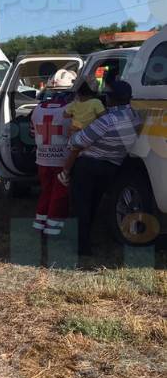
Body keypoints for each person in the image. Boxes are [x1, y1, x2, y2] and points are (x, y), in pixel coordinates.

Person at [65, 81, 141, 257]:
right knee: (94, 202)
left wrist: (72, 136)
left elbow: (77, 142)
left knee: (81, 205)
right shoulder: (135, 116)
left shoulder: (107, 120)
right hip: (112, 167)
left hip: (88, 165)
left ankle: (82, 247)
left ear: (110, 99)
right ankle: (87, 238)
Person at [29, 69, 76, 236]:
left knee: (46, 191)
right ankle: (53, 230)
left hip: (42, 159)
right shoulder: (71, 109)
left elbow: (33, 133)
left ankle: (40, 223)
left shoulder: (38, 108)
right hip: (62, 161)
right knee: (60, 195)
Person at [57, 79, 107, 186]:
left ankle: (66, 173)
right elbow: (104, 116)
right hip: (88, 132)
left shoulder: (74, 104)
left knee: (74, 153)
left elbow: (65, 114)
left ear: (78, 93)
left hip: (74, 131)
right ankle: (65, 173)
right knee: (78, 152)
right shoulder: (96, 102)